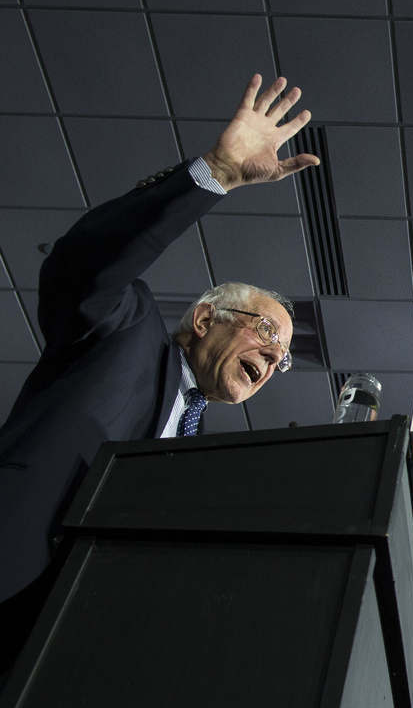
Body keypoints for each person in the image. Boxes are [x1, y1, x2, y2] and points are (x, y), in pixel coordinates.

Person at [0, 75, 320, 677]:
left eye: (282, 362)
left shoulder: (193, 460)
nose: (275, 362)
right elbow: (82, 262)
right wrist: (217, 172)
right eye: (268, 336)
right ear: (205, 319)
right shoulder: (125, 328)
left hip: (50, 653)